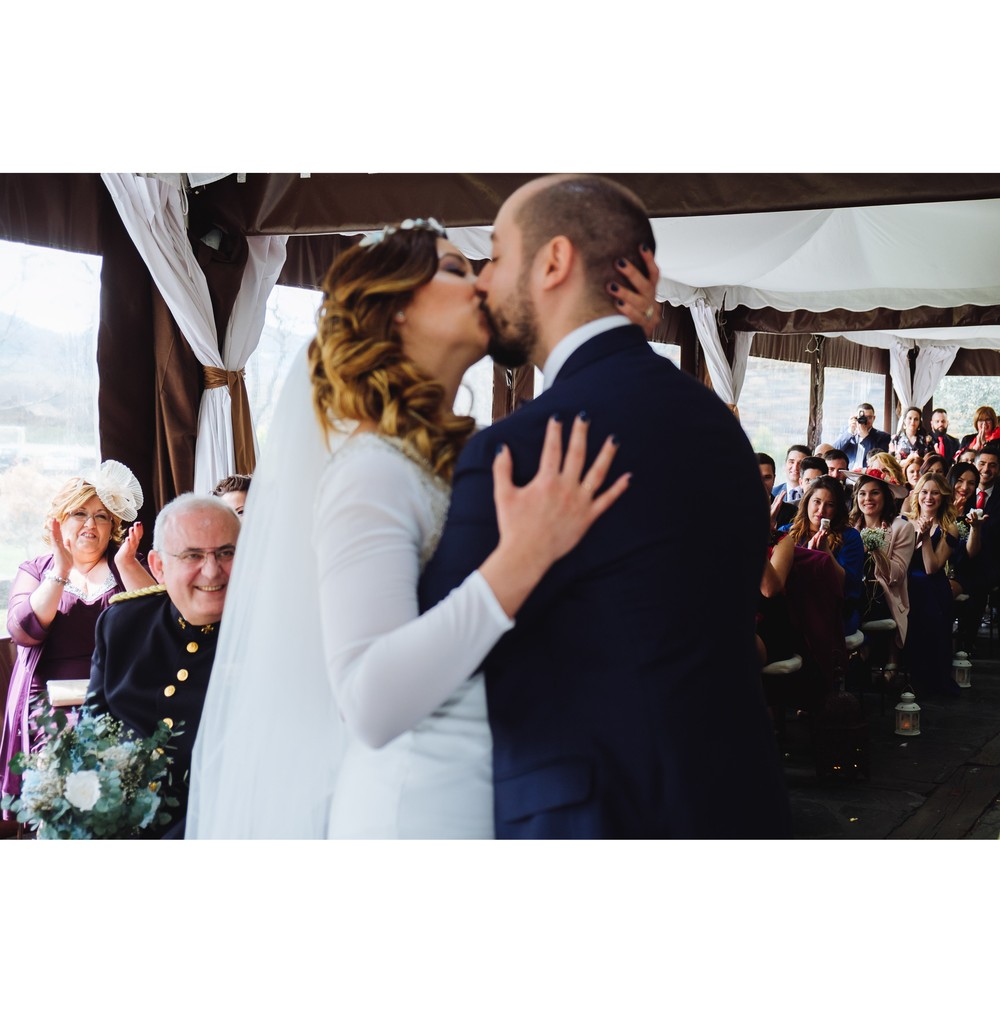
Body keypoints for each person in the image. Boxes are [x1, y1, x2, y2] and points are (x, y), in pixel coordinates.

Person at [187, 214, 660, 839]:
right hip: (421, 809)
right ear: (395, 311)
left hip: (496, 787)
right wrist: (520, 560)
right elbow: (370, 701)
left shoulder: (449, 457)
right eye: (455, 269)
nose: (482, 283)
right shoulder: (372, 471)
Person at [419, 174, 791, 839]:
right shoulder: (719, 426)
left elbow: (434, 682)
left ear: (554, 261)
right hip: (741, 798)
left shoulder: (518, 453)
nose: (483, 280)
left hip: (588, 818)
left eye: (497, 255)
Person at [1, 461, 153, 810]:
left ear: (113, 526)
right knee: (63, 782)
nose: (90, 523)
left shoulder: (127, 561)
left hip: (119, 699)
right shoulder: (36, 570)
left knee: (119, 784)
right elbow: (23, 630)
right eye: (80, 513)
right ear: (59, 520)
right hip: (49, 705)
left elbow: (157, 621)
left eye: (102, 516)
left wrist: (129, 565)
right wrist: (61, 570)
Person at [86, 494, 241, 837]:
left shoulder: (264, 638)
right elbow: (90, 733)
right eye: (192, 555)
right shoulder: (122, 623)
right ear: (158, 566)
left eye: (227, 553)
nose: (212, 570)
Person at [772, 475, 865, 636]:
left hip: (832, 609)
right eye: (817, 502)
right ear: (807, 501)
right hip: (791, 605)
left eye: (830, 505)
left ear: (837, 509)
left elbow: (846, 585)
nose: (821, 511)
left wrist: (825, 553)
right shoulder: (786, 532)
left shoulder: (850, 537)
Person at [903, 473, 961, 696]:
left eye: (935, 493)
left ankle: (930, 680)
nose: (929, 497)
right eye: (925, 492)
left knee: (924, 590)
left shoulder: (949, 528)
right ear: (917, 495)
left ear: (943, 497)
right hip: (907, 584)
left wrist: (925, 536)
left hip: (932, 589)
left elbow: (931, 567)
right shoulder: (905, 521)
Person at [848, 473, 915, 659]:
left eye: (874, 493)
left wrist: (876, 549)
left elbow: (896, 576)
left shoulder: (902, 527)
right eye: (862, 494)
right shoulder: (848, 527)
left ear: (885, 496)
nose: (867, 499)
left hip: (882, 595)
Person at [834, 402, 891, 469]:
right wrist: (850, 431)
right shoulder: (847, 432)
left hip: (868, 474)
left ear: (874, 418)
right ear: (856, 418)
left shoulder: (884, 436)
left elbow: (880, 458)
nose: (865, 420)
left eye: (869, 417)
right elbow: (835, 451)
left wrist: (866, 437)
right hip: (848, 472)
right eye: (862, 417)